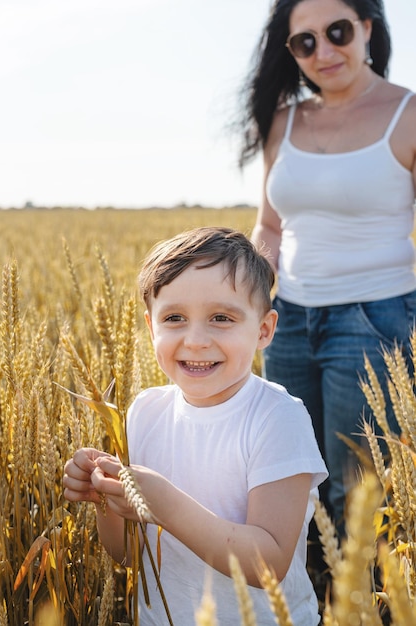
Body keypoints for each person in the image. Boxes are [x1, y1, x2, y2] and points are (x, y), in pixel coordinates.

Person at [63, 226, 328, 626]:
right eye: (174, 318)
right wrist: (104, 496)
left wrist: (163, 503)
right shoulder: (144, 412)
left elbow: (268, 565)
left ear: (264, 330)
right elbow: (128, 555)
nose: (196, 339)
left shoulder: (278, 418)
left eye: (221, 318)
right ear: (151, 328)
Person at [237, 0, 416, 534]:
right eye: (305, 42)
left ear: (366, 28)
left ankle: (359, 612)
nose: (324, 50)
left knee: (357, 490)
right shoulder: (284, 119)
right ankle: (305, 603)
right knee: (291, 476)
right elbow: (270, 226)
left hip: (375, 324)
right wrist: (249, 297)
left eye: (337, 31)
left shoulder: (407, 114)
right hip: (287, 320)